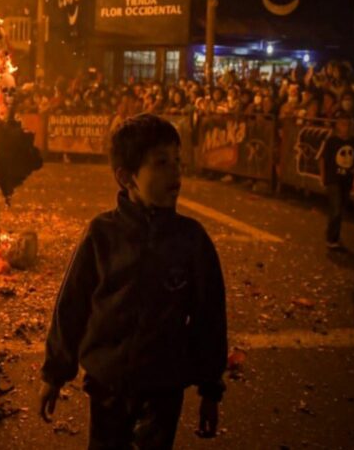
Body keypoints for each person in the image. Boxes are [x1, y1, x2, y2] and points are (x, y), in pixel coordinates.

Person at [39, 114, 227, 449]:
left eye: (177, 161)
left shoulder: (191, 240)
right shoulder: (102, 234)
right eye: (161, 163)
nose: (176, 171)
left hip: (164, 386)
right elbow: (72, 305)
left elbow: (209, 317)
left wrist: (210, 388)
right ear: (127, 177)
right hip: (107, 383)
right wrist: (55, 374)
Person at [318, 111, 354, 249]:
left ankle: (333, 233)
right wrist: (323, 176)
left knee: (339, 209)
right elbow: (322, 159)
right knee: (335, 208)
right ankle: (331, 239)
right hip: (333, 179)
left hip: (347, 180)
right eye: (342, 124)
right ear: (337, 125)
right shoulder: (331, 141)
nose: (345, 127)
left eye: (347, 124)